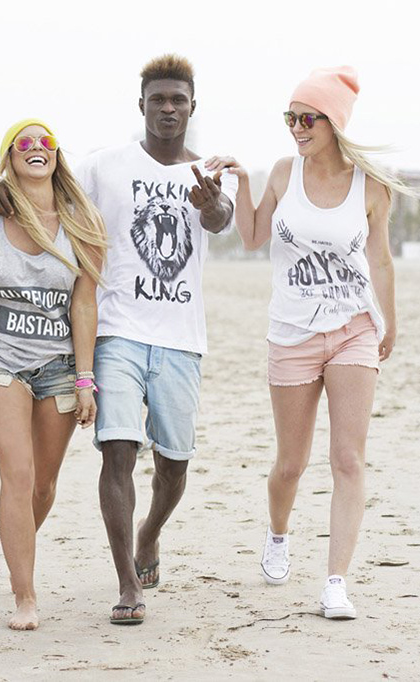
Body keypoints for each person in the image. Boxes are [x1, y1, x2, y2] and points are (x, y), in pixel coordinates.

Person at [206, 67, 405, 619]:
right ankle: (278, 534)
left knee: (348, 459)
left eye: (306, 117)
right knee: (290, 466)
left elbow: (380, 259)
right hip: (291, 333)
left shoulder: (371, 185)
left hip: (353, 331)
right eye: (289, 117)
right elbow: (250, 237)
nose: (295, 127)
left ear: (334, 122)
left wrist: (391, 322)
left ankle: (336, 582)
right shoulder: (283, 173)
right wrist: (242, 183)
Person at [66, 55, 236, 625]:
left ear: (193, 106)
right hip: (117, 331)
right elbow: (50, 190)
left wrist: (212, 205)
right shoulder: (103, 166)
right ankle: (126, 585)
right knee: (118, 452)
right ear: (141, 105)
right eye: (158, 99)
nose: (168, 108)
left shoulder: (210, 173)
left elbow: (219, 220)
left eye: (178, 100)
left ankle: (150, 533)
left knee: (175, 465)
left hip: (181, 338)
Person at [0, 119, 106, 630]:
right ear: (10, 157)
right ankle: (25, 596)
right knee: (17, 477)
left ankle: (16, 544)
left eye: (46, 143)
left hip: (60, 368)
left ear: (56, 156)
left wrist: (86, 379)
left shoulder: (83, 220)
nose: (36, 148)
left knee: (42, 486)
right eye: (25, 143)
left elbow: (85, 303)